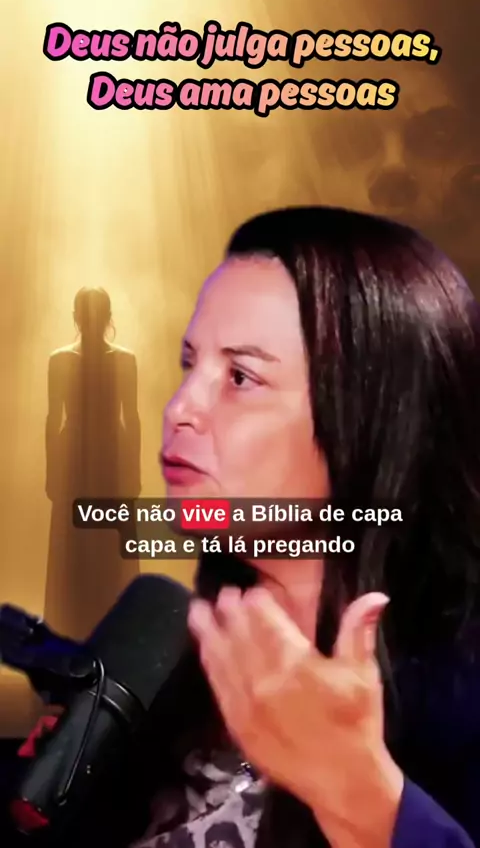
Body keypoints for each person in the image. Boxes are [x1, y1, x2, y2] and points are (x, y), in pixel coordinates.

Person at [16, 208, 479, 848]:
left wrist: (367, 804)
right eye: (189, 365)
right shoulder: (172, 662)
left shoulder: (459, 702)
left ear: (373, 419)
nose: (179, 409)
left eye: (240, 377)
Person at [43, 287, 141, 640]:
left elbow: (54, 419)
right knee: (95, 544)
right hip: (96, 458)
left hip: (94, 458)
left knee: (94, 544)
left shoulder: (65, 360)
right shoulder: (118, 361)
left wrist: (53, 472)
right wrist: (53, 473)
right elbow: (131, 419)